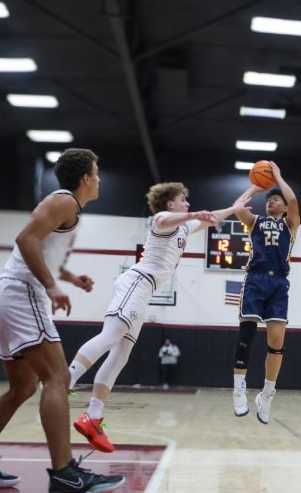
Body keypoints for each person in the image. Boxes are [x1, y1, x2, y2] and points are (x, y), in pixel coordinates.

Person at [0, 148, 125, 493]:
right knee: (58, 379)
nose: (100, 178)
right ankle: (64, 474)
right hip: (21, 295)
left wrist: (68, 276)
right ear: (86, 179)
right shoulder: (63, 202)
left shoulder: (68, 210)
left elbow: (40, 250)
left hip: (7, 296)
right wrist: (50, 285)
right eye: (97, 172)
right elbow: (25, 239)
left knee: (21, 389)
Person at [66, 183, 253, 451]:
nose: (187, 203)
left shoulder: (185, 227)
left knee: (121, 355)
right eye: (183, 200)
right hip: (136, 282)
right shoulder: (160, 220)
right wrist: (194, 215)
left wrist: (245, 199)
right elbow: (167, 219)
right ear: (170, 203)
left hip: (145, 292)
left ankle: (93, 418)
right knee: (109, 337)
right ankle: (66, 380)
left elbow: (219, 214)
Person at [232, 166, 301, 424]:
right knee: (246, 336)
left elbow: (293, 199)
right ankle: (239, 389)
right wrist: (255, 186)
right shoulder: (256, 221)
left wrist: (278, 176)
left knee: (277, 344)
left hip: (279, 284)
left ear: (283, 208)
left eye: (275, 199)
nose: (271, 201)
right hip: (256, 279)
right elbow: (238, 208)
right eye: (268, 199)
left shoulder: (290, 224)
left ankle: (267, 394)